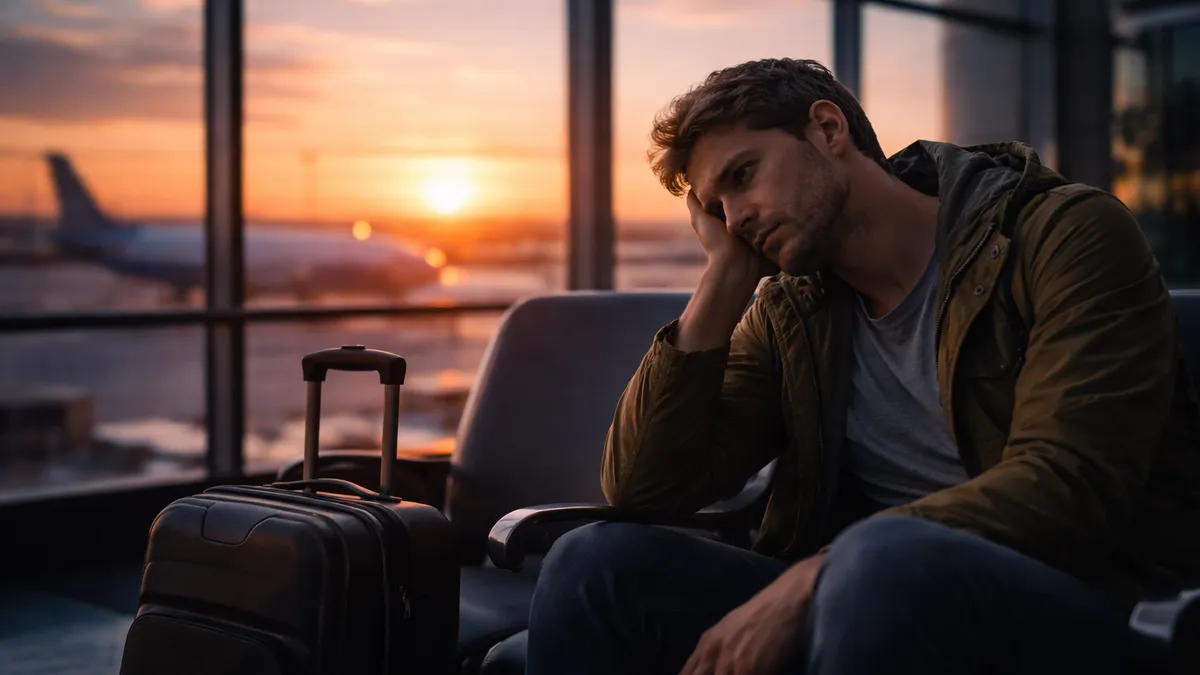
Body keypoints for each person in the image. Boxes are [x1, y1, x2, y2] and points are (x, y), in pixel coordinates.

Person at [523, 58, 1200, 674]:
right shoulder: (793, 311)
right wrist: (723, 281)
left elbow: (1069, 487)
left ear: (827, 129)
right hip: (864, 601)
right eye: (716, 208)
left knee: (881, 562)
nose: (736, 218)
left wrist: (825, 569)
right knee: (594, 563)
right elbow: (645, 489)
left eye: (743, 175)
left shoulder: (1062, 235)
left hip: (1087, 604)